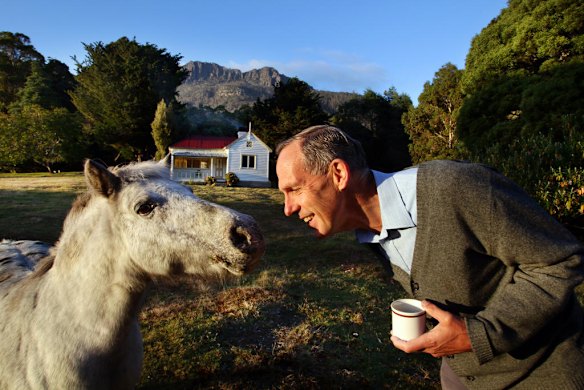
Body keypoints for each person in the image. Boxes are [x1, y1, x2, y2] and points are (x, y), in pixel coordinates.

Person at [275, 125, 584, 389]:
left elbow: (560, 261)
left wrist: (481, 334)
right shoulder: (369, 233)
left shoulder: (457, 188)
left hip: (545, 372)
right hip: (461, 377)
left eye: (295, 189)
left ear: (339, 173)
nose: (287, 208)